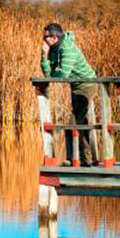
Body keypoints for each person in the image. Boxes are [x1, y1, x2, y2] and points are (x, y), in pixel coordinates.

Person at [42, 23, 97, 165]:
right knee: (80, 122)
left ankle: (74, 159)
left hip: (87, 85)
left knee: (74, 123)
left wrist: (55, 74)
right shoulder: (54, 50)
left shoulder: (67, 49)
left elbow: (62, 76)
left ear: (54, 37)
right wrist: (44, 56)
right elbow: (50, 75)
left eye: (46, 36)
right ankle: (84, 159)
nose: (43, 39)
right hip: (76, 86)